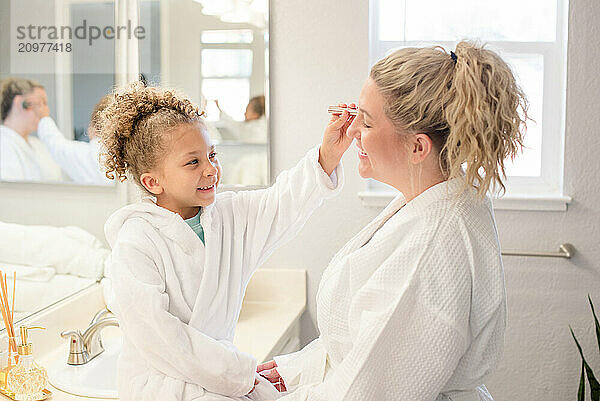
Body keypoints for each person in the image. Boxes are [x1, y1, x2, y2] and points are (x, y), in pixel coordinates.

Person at [257, 41, 527, 401]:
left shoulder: (429, 249)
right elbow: (370, 340)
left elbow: (364, 392)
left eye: (366, 122)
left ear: (418, 147)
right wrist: (298, 369)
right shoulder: (436, 198)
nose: (352, 131)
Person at [99, 82, 353, 401]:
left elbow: (283, 202)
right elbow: (159, 336)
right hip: (162, 389)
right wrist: (237, 373)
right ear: (153, 182)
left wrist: (328, 152)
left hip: (219, 383)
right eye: (193, 162)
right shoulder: (136, 241)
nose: (211, 169)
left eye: (212, 155)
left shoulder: (228, 217)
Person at [36, 94, 113, 185]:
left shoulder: (91, 155)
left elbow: (55, 144)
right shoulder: (127, 156)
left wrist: (43, 117)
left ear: (93, 127)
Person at [0, 77, 64, 182]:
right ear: (20, 102)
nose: (46, 111)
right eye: (41, 103)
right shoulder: (3, 144)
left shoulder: (39, 145)